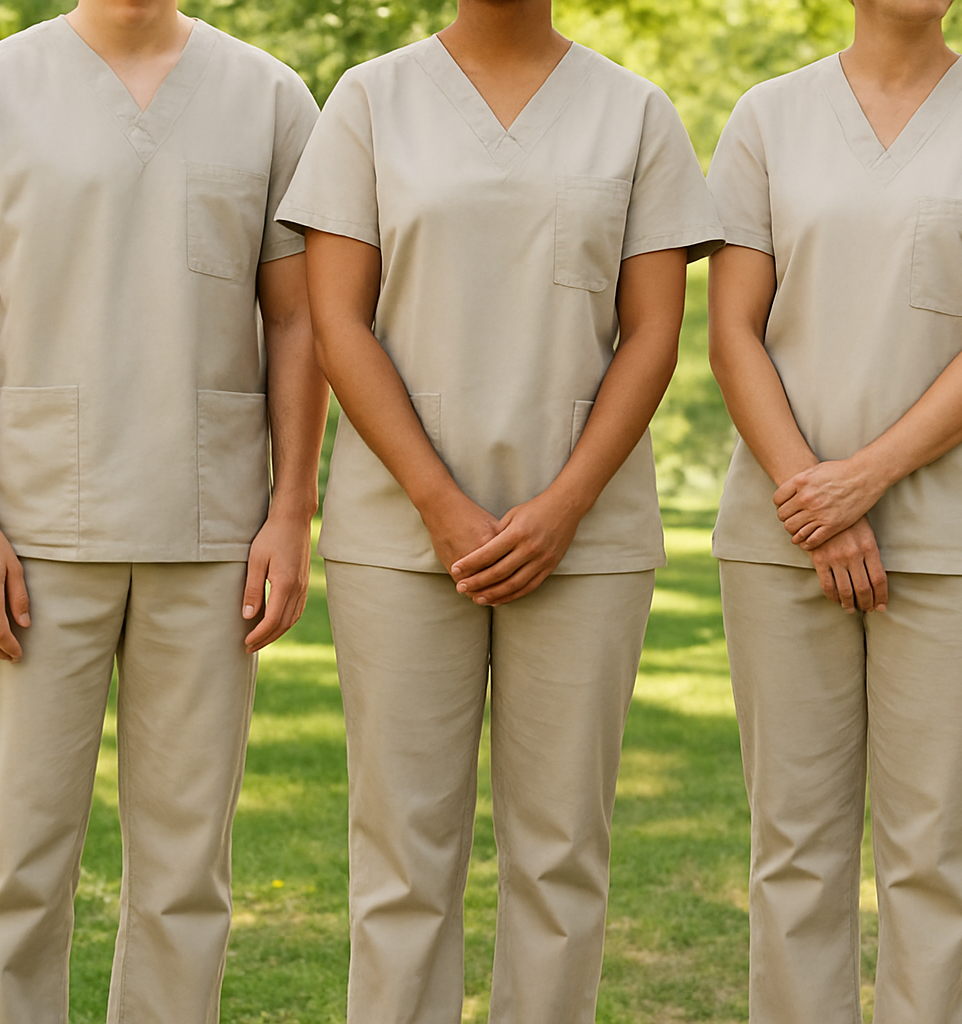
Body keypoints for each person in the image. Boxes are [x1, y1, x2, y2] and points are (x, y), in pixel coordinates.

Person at [273, 0, 723, 1020]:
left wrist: (567, 504)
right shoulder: (369, 101)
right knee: (400, 857)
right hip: (398, 533)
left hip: (586, 538)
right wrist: (434, 497)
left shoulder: (636, 113)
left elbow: (653, 331)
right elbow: (336, 319)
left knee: (562, 854)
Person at [0, 0, 325, 1019]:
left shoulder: (269, 98)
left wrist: (291, 507)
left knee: (186, 876)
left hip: (211, 530)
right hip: (32, 533)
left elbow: (298, 317)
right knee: (18, 872)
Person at [704, 0, 962, 1019]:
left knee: (937, 861)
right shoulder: (766, 117)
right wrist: (817, 499)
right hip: (785, 539)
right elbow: (732, 331)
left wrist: (862, 478)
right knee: (792, 853)